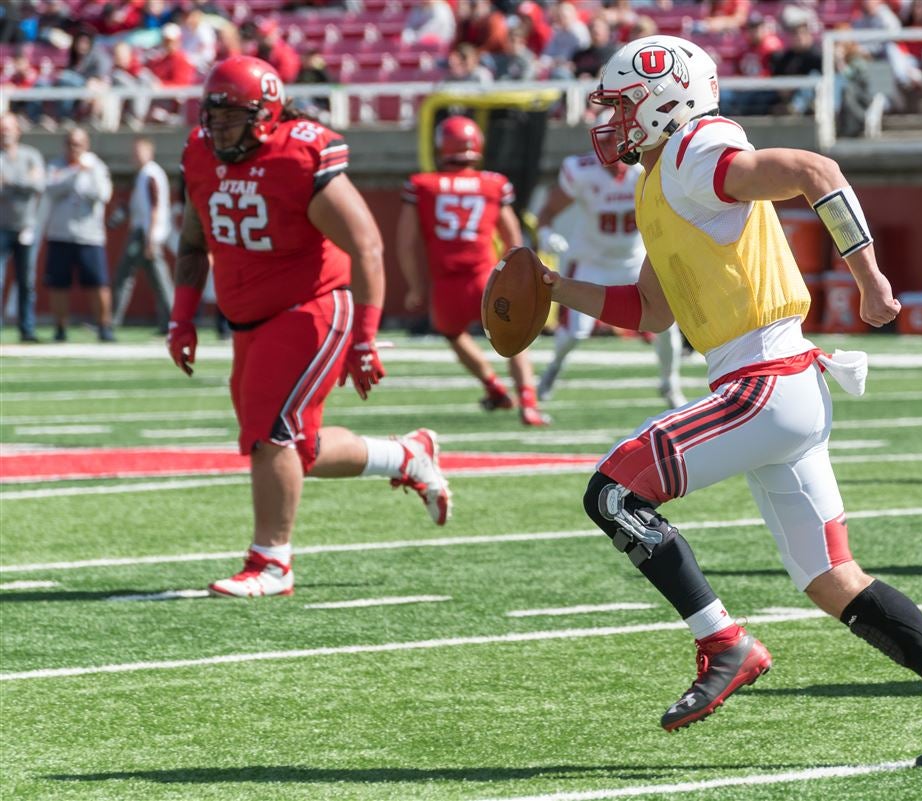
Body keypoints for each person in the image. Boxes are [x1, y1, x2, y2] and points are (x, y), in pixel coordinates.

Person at [542, 34, 922, 766]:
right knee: (832, 579)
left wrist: (869, 278)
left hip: (763, 380)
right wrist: (552, 289)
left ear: (667, 98)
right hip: (780, 385)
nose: (610, 119)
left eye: (622, 103)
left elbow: (812, 168)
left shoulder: (695, 150)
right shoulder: (658, 177)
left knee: (612, 492)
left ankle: (723, 641)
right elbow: (652, 310)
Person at [168, 56, 452, 598]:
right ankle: (407, 455)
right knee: (297, 446)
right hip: (248, 317)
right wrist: (182, 317)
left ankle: (271, 562)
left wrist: (365, 337)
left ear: (267, 113)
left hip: (312, 305)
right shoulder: (200, 155)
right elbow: (190, 244)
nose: (220, 127)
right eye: (215, 115)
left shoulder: (298, 154)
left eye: (234, 116)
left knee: (270, 433)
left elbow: (366, 243)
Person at [397, 115, 548, 426]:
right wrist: (516, 275)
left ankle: (493, 387)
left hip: (447, 280)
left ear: (441, 146)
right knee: (514, 336)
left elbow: (406, 242)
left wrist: (414, 285)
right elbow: (512, 236)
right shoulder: (492, 183)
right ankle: (529, 403)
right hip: (486, 277)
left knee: (452, 334)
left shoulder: (422, 185)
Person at [535, 150, 685, 408]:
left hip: (636, 260)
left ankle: (670, 383)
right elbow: (548, 210)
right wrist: (546, 234)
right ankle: (554, 367)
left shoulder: (645, 169)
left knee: (667, 329)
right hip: (592, 261)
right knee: (574, 334)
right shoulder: (582, 171)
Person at [43, 128, 114, 342]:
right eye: (71, 143)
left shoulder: (96, 166)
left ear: (86, 145)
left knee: (97, 283)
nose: (74, 148)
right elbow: (50, 188)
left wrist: (86, 174)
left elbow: (103, 194)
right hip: (60, 233)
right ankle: (60, 328)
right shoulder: (56, 166)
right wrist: (74, 174)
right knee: (59, 285)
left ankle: (104, 326)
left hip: (89, 235)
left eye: (79, 143)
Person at [112, 136, 174, 333]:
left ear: (150, 152)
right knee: (154, 279)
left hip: (145, 234)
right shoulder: (144, 174)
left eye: (139, 152)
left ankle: (111, 321)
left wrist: (150, 237)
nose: (135, 156)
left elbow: (155, 208)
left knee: (137, 277)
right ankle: (170, 321)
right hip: (144, 232)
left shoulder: (150, 174)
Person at [0, 111, 44, 342]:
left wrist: (11, 183)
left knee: (26, 281)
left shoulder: (31, 155)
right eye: (2, 127)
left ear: (18, 130)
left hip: (26, 226)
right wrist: (23, 183)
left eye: (9, 127)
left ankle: (27, 328)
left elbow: (38, 185)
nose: (6, 131)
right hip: (1, 226)